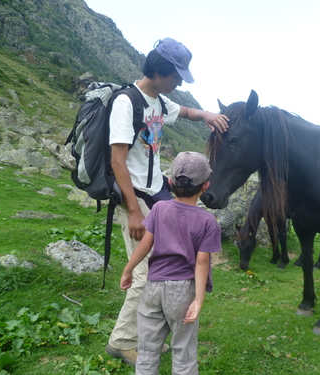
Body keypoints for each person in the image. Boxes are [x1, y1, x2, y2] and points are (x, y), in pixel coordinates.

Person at [106, 37, 228, 366]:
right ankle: (122, 341)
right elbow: (118, 162)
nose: (178, 84)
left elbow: (183, 111)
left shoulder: (158, 101)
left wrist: (205, 115)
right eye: (177, 78)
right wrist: (133, 211)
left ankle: (155, 326)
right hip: (135, 197)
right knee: (146, 272)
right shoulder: (126, 102)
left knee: (160, 266)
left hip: (156, 189)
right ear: (160, 72)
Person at [120, 151, 222, 374]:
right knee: (183, 351)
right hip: (183, 291)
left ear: (169, 182)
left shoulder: (159, 208)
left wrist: (128, 270)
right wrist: (198, 299)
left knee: (146, 351)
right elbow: (202, 262)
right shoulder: (208, 221)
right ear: (205, 186)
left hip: (153, 286)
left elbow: (145, 245)